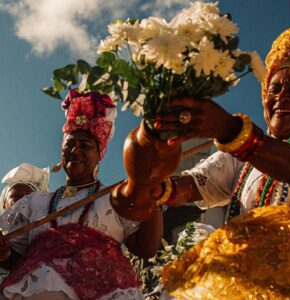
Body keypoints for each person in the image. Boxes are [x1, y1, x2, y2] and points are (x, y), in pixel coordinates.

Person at [0, 90, 169, 300]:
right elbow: (18, 261)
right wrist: (4, 252)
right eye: (70, 144)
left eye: (85, 145)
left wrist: (155, 196)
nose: (75, 150)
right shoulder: (34, 203)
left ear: (99, 156)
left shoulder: (115, 199)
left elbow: (146, 248)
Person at [152, 26, 290, 218]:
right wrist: (157, 189)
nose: (282, 97)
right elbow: (190, 188)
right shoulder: (240, 158)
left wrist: (231, 130)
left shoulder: (242, 143)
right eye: (275, 89)